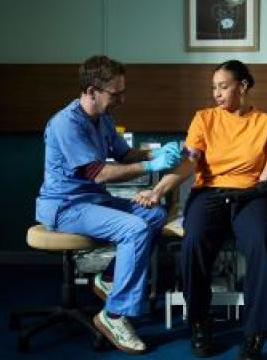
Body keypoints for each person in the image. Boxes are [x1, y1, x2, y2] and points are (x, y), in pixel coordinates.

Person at [134, 60, 267, 359]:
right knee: (193, 243)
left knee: (259, 243)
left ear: (242, 86)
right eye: (214, 87)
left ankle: (256, 331)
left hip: (250, 195)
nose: (216, 93)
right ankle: (200, 322)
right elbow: (190, 162)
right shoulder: (204, 119)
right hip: (209, 193)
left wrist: (258, 190)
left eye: (223, 86)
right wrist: (158, 190)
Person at [35, 55, 181, 354]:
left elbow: (125, 155)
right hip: (65, 205)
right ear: (91, 91)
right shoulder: (66, 123)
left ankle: (109, 278)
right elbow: (98, 173)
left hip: (92, 200)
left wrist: (154, 152)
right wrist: (153, 166)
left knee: (154, 213)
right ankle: (113, 315)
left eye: (123, 92)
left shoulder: (103, 119)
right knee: (136, 229)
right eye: (116, 93)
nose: (122, 99)